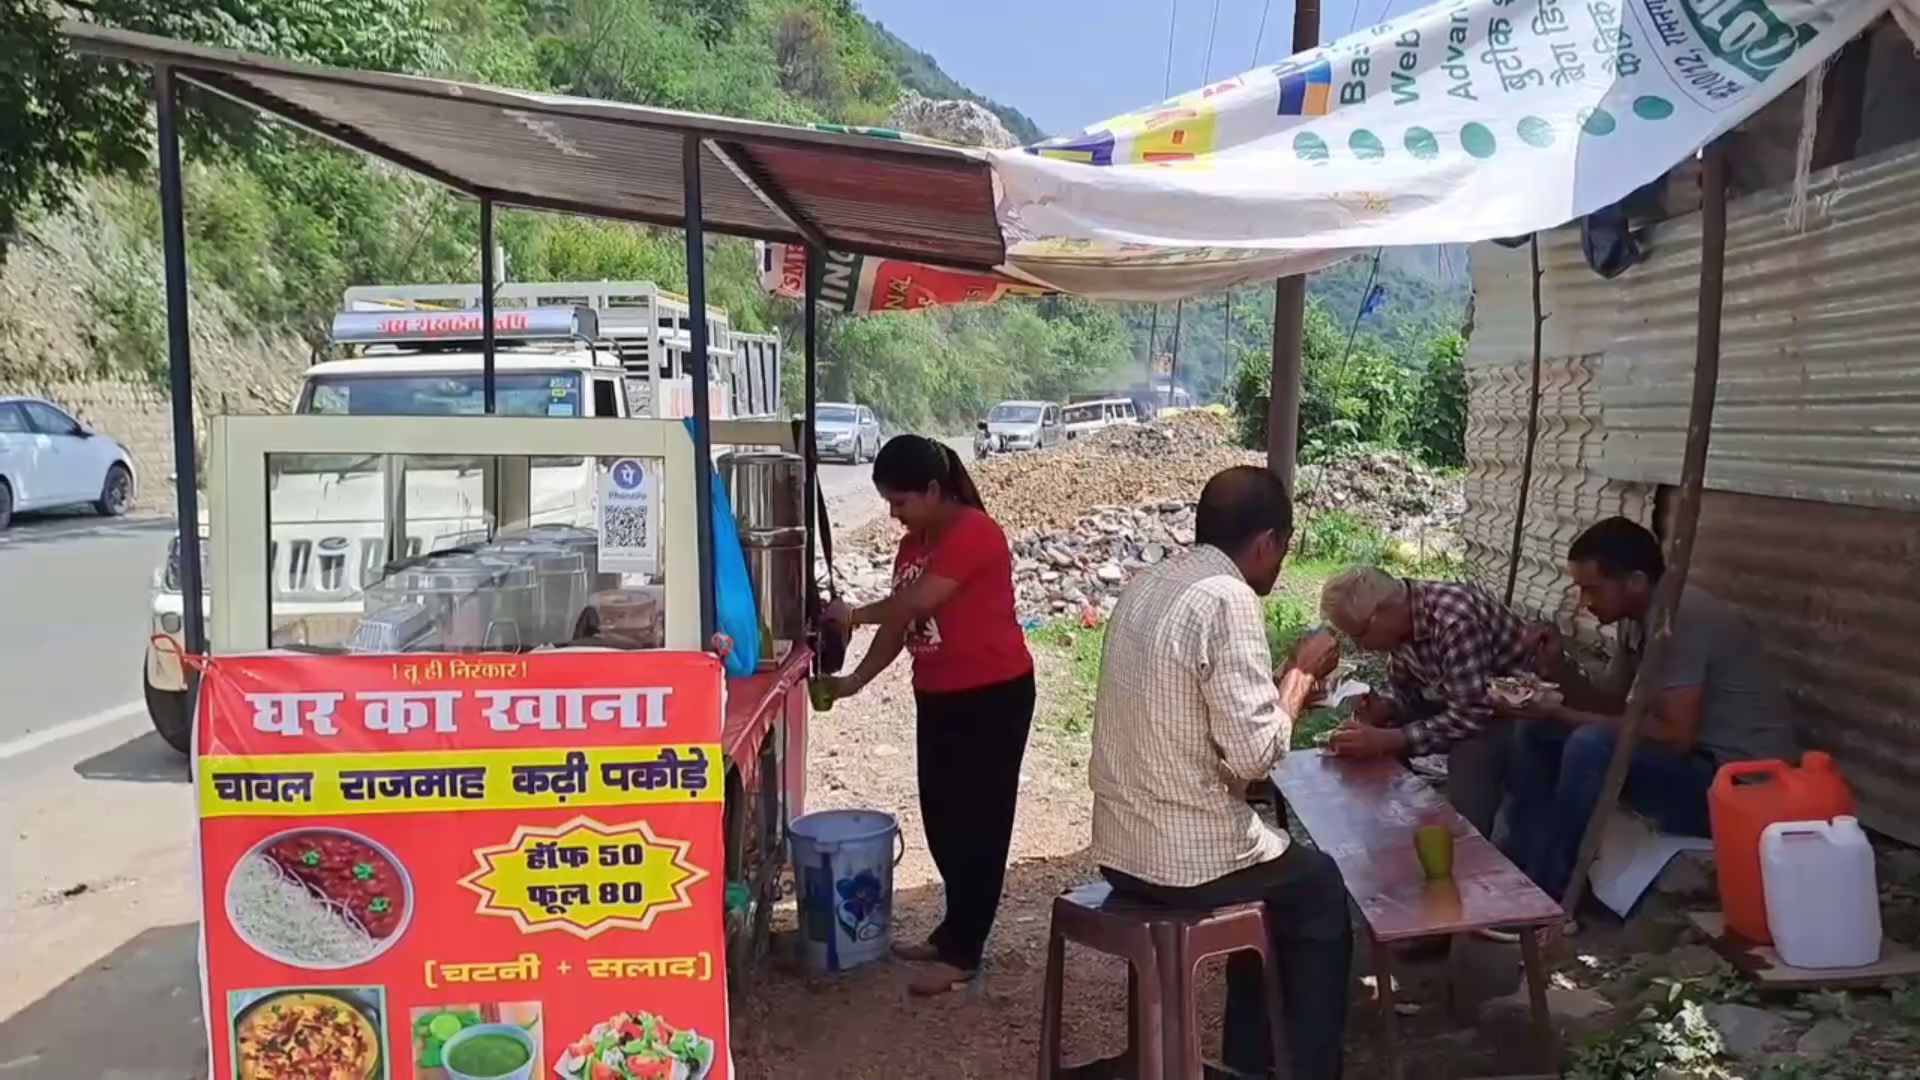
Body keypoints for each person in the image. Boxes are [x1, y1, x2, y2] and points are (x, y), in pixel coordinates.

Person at [1091, 465, 1349, 1080]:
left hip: (1120, 848)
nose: (1279, 564)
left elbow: (1197, 714)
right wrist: (1302, 673)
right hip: (1182, 863)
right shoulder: (1228, 597)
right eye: (1282, 550)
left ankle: (1249, 1063)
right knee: (1318, 890)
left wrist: (1281, 691)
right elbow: (1256, 756)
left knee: (1266, 893)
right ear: (1267, 542)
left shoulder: (1153, 582)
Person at [822, 434, 1034, 996]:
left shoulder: (974, 533)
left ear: (935, 490)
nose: (894, 515)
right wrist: (854, 681)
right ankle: (951, 930)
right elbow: (900, 625)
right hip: (937, 692)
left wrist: (851, 616)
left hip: (992, 694)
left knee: (980, 824)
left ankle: (965, 950)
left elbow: (915, 604)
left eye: (901, 502)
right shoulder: (914, 545)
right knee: (941, 817)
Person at [1498, 516, 1799, 901]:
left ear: (1636, 581)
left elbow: (1676, 737)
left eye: (1592, 590)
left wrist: (1564, 715)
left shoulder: (1680, 620)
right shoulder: (1635, 620)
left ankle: (1549, 893)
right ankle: (1523, 869)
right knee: (1538, 731)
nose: (1584, 604)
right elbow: (1609, 702)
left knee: (1590, 745)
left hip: (1738, 788)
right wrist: (1559, 667)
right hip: (1698, 768)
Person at [1317, 566, 1534, 837]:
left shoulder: (1453, 620)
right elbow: (1405, 691)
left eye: (1359, 634)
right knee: (1387, 726)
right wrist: (1385, 706)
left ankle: (1468, 847)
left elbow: (1472, 715)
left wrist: (1388, 739)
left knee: (1471, 756)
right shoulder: (1401, 625)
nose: (1360, 647)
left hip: (1516, 711)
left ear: (1382, 612)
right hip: (1460, 698)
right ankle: (1396, 824)